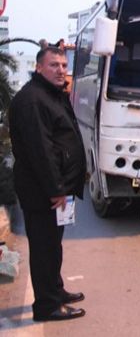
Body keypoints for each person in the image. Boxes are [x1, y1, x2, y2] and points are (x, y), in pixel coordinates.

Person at [8, 45, 87, 321]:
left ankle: (56, 291)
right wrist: (56, 190)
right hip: (43, 192)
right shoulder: (33, 100)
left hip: (55, 190)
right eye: (54, 65)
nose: (61, 71)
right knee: (44, 249)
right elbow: (41, 151)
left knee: (53, 246)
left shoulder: (51, 94)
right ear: (39, 67)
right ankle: (47, 306)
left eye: (64, 65)